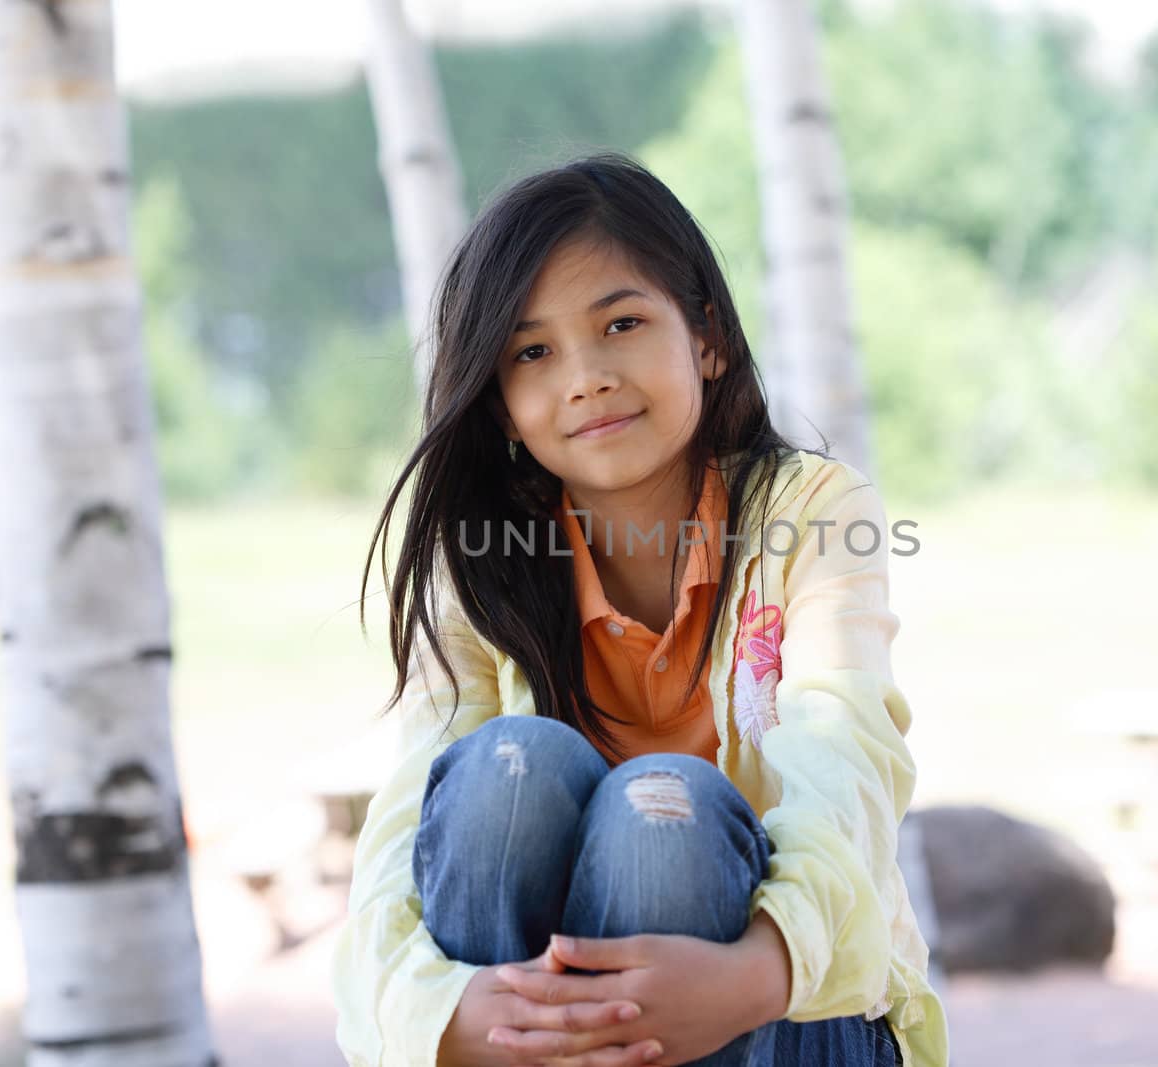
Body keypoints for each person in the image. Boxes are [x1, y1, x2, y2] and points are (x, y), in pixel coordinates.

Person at [329, 151, 948, 1067]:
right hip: (547, 1036)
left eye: (621, 322)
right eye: (532, 352)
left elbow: (844, 765)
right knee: (509, 766)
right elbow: (398, 848)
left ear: (706, 337)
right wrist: (446, 1017)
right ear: (500, 404)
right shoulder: (484, 567)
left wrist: (752, 974)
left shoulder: (810, 510)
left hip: (793, 1019)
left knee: (668, 811)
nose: (585, 377)